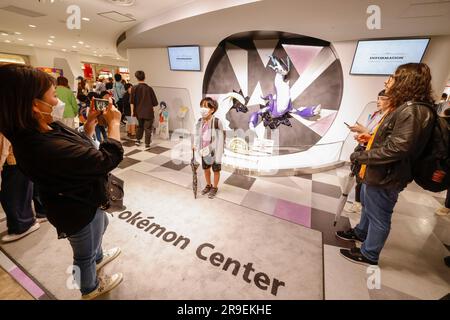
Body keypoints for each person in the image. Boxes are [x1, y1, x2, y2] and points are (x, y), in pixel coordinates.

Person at [0, 64, 124, 300]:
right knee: (83, 254)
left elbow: (76, 148)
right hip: (74, 210)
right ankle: (89, 288)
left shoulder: (46, 128)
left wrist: (89, 127)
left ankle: (98, 257)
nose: (58, 102)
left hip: (88, 200)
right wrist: (114, 124)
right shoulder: (40, 146)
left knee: (100, 227)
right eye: (54, 96)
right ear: (35, 105)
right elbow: (107, 158)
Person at [337, 63, 435, 266]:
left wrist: (361, 157)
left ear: (406, 82)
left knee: (379, 216)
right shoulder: (407, 108)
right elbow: (392, 140)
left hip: (387, 176)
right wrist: (370, 140)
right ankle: (361, 232)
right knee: (368, 205)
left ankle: (369, 254)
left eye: (392, 77)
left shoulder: (413, 111)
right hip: (378, 172)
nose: (387, 81)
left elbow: (399, 149)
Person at [344, 90, 390, 214]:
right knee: (359, 177)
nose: (378, 101)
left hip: (374, 154)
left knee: (379, 217)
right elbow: (371, 134)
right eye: (378, 98)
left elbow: (379, 138)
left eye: (382, 98)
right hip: (364, 148)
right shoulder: (377, 114)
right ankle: (359, 202)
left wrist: (363, 130)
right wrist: (361, 132)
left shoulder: (390, 117)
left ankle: (359, 203)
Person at [0, 133, 40, 242]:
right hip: (20, 157)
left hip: (14, 160)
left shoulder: (6, 118)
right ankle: (27, 222)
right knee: (20, 193)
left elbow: (4, 144)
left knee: (12, 197)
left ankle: (23, 226)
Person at [192, 97, 225, 199]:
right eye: (201, 106)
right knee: (206, 169)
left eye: (205, 107)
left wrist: (219, 154)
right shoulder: (199, 121)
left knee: (216, 170)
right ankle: (208, 185)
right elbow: (197, 134)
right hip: (204, 150)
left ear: (212, 109)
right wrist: (195, 144)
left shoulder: (217, 122)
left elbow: (221, 139)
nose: (202, 109)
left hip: (214, 152)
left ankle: (214, 187)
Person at [130, 70, 158, 148]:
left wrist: (132, 112)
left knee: (140, 126)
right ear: (144, 77)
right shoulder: (149, 89)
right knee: (148, 128)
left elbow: (132, 102)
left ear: (136, 78)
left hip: (138, 112)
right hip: (148, 112)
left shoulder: (134, 88)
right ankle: (147, 144)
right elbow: (154, 103)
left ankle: (138, 140)